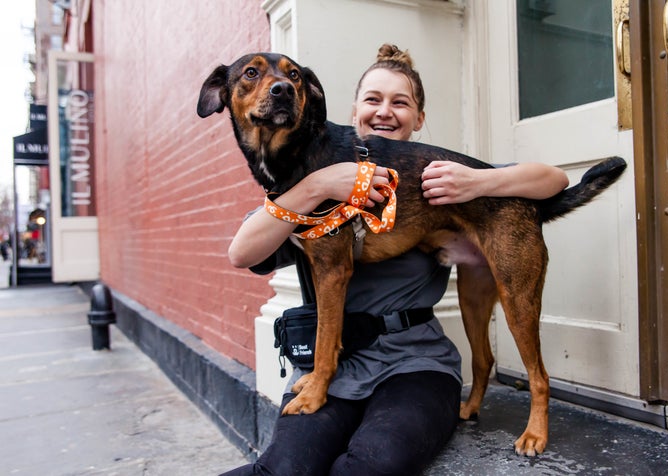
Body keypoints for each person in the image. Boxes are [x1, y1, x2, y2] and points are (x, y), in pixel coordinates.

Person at [221, 44, 569, 476]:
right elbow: (241, 252)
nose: (385, 111)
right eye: (373, 100)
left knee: (370, 467)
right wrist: (321, 185)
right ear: (353, 112)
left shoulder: (443, 175)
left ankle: (529, 396)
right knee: (284, 469)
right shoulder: (301, 183)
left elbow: (555, 181)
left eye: (400, 103)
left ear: (418, 119)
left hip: (415, 364)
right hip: (339, 368)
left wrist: (480, 180)